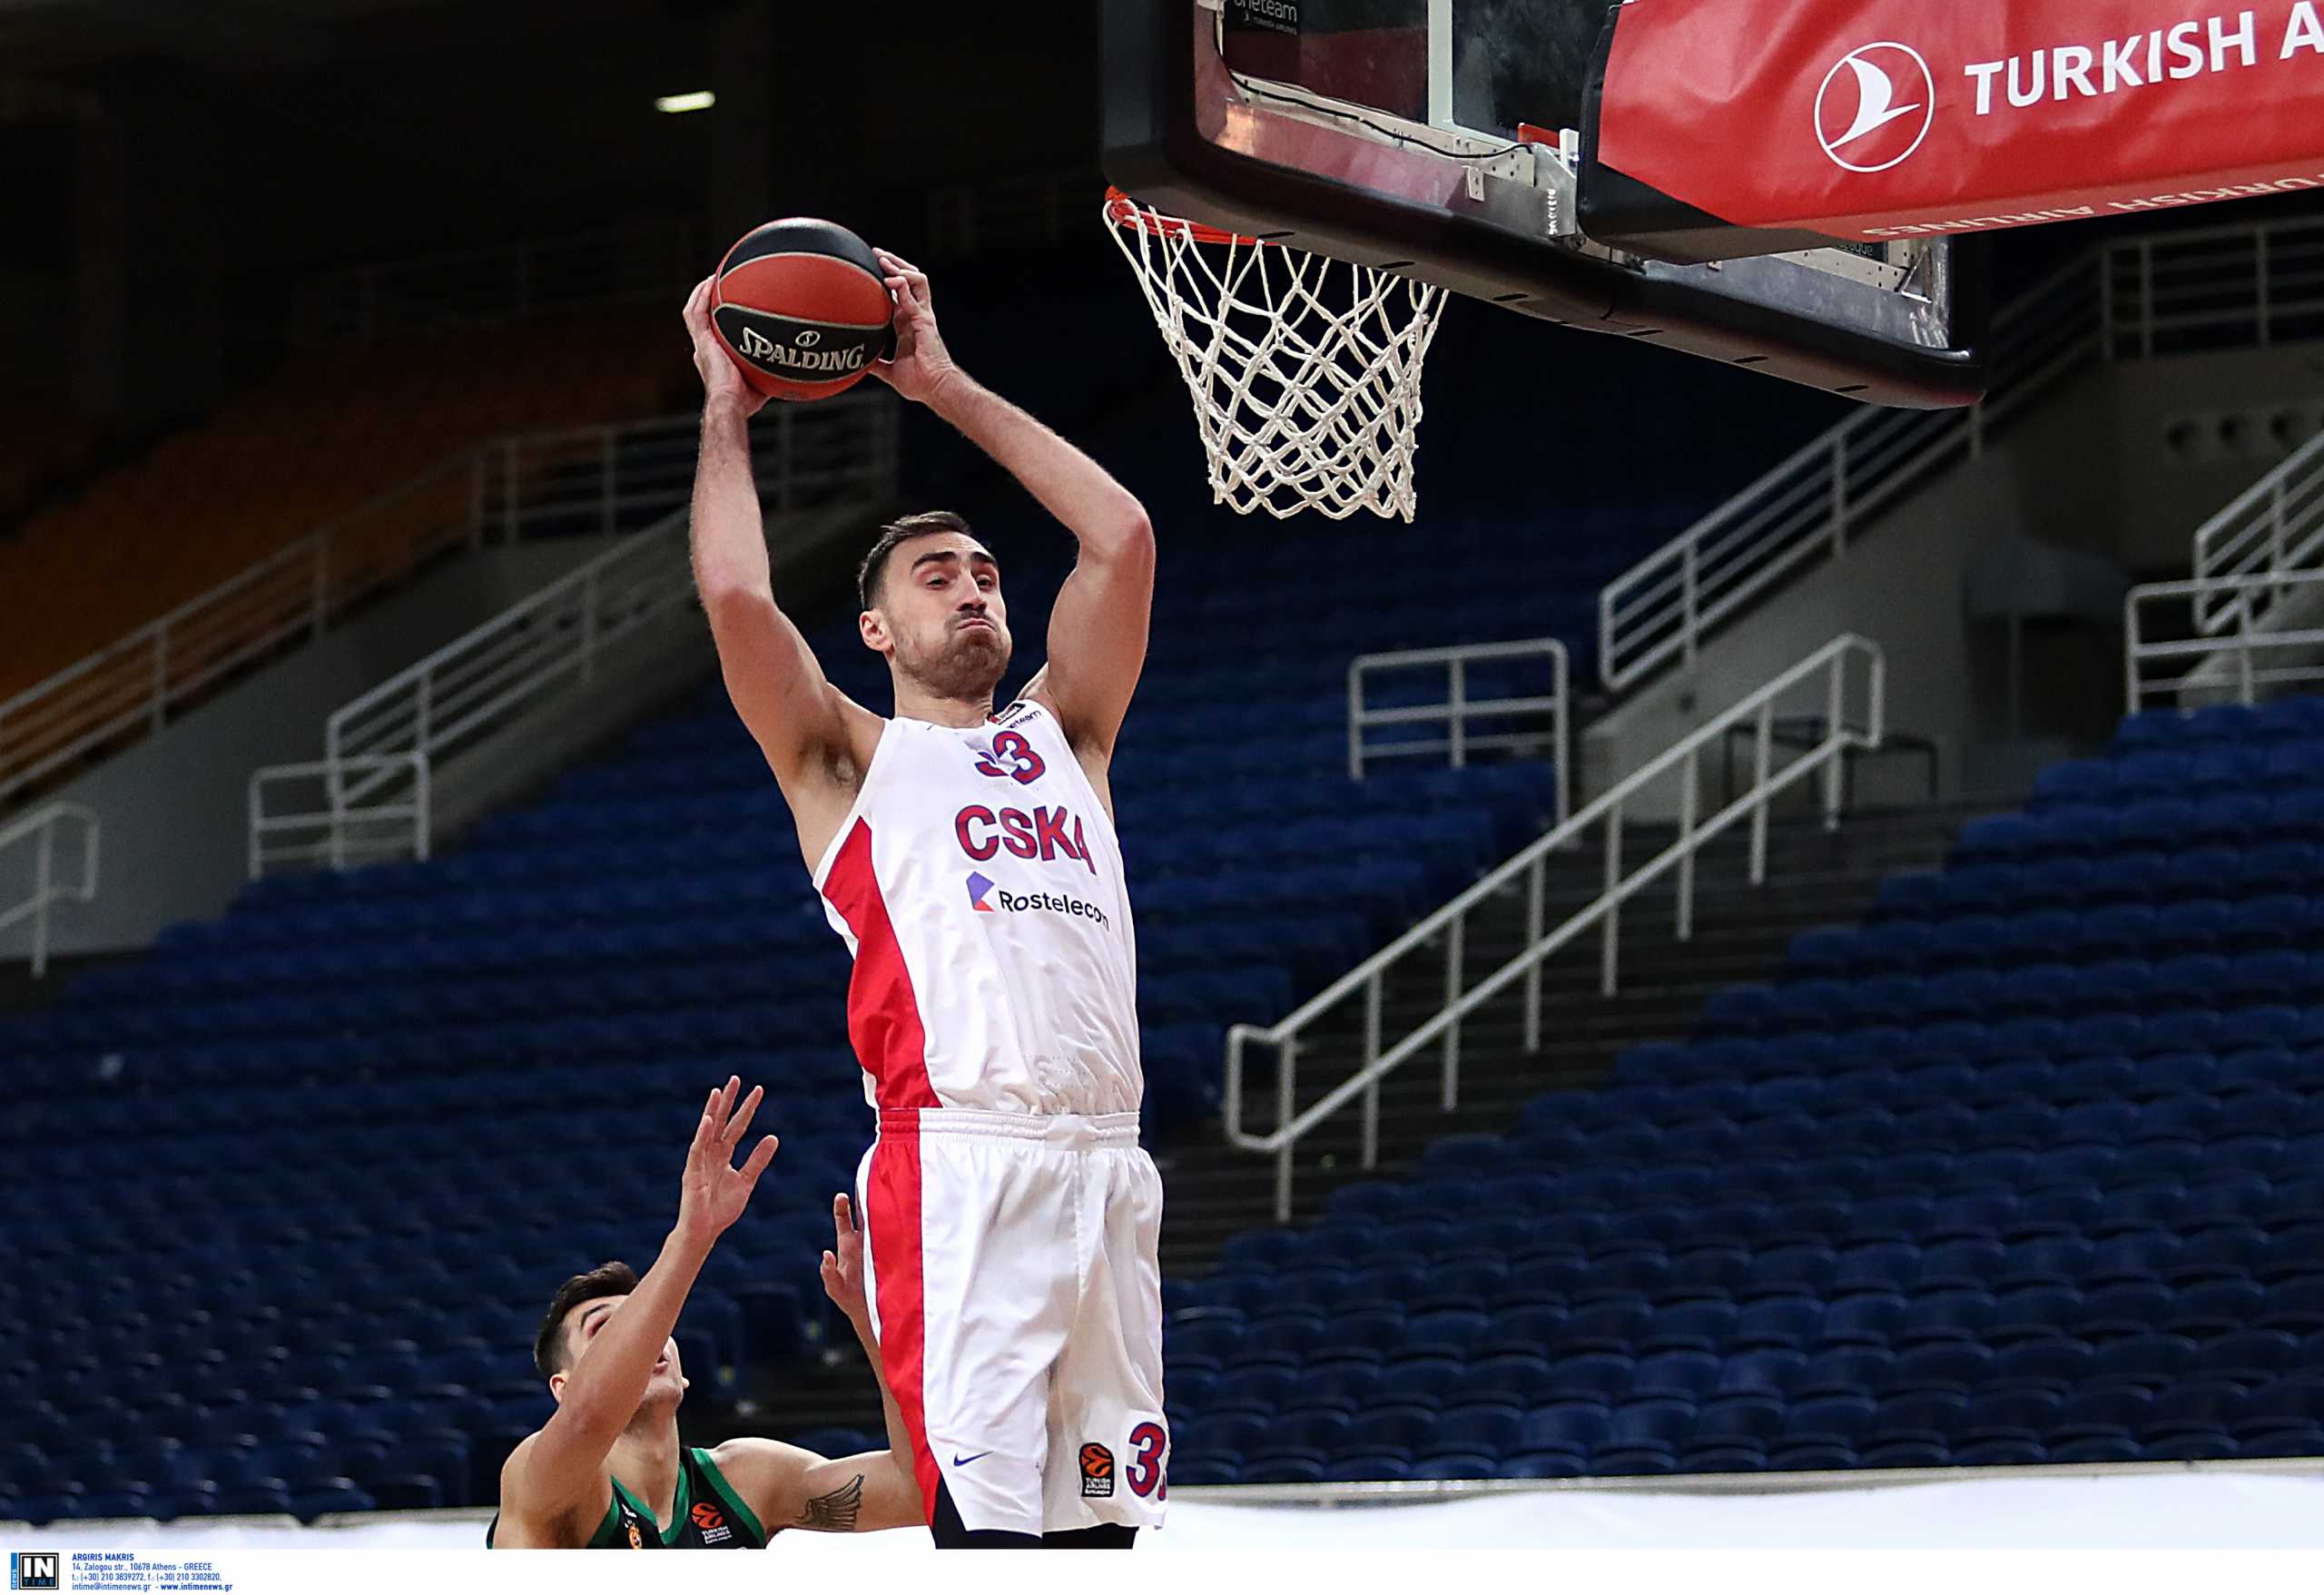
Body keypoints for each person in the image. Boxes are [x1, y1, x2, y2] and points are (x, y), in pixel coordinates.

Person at [681, 250, 1166, 1548]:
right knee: (987, 1539)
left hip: (1110, 1168)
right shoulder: (844, 757)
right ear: (879, 632)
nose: (974, 586)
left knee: (1108, 1543)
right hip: (963, 1171)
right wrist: (726, 403)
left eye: (987, 572)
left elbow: (1119, 536)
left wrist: (937, 381)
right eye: (937, 575)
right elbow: (735, 594)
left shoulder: (1073, 734)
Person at [488, 1078, 924, 1548]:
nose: (645, 1339)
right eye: (605, 1330)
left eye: (649, 1324)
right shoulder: (541, 1480)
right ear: (564, 1386)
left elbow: (915, 1491)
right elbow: (587, 1419)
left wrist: (872, 1319)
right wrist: (691, 1238)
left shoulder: (743, 1479)